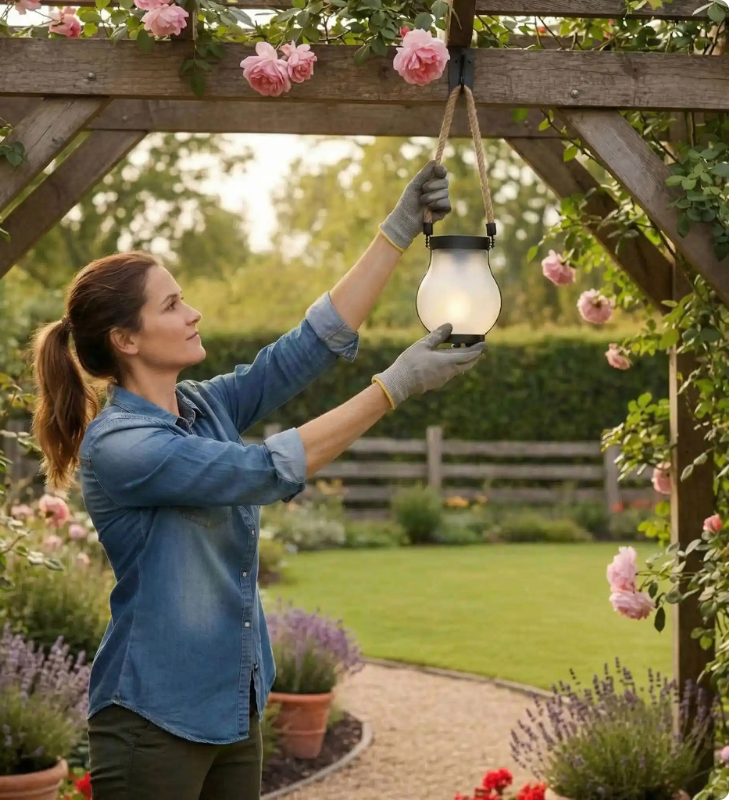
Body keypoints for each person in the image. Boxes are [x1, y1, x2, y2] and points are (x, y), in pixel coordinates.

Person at [30, 161, 487, 800]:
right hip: (153, 720)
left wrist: (399, 229)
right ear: (126, 339)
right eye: (172, 305)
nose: (193, 313)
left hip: (233, 708)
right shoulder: (123, 446)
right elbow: (265, 469)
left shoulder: (204, 406)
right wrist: (395, 385)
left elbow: (310, 345)